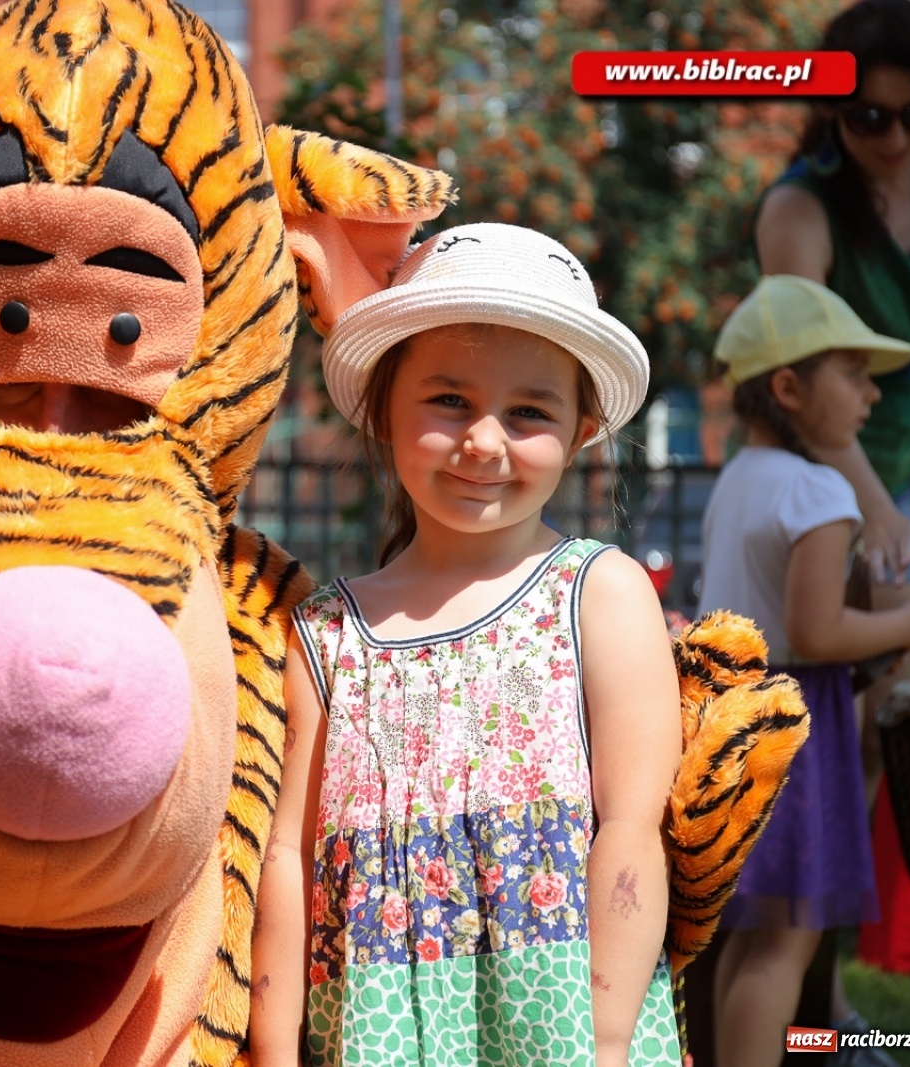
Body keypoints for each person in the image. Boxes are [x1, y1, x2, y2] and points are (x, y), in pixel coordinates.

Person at [250, 222, 682, 1066]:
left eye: (528, 412)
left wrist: (606, 1040)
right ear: (383, 403)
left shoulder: (599, 592)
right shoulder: (326, 635)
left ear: (584, 426)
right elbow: (286, 863)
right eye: (449, 399)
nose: (484, 440)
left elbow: (632, 831)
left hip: (561, 1035)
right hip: (373, 1034)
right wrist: (273, 1051)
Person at [697, 274, 910, 1067]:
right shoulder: (819, 489)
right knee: (784, 945)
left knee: (744, 941)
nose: (871, 396)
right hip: (796, 738)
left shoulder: (738, 479)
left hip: (727, 721)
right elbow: (815, 629)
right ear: (787, 387)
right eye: (853, 373)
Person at [754, 0, 910, 749]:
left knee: (892, 719)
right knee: (829, 714)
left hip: (907, 460)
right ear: (833, 106)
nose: (897, 136)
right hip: (822, 464)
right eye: (871, 117)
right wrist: (882, 513)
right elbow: (806, 390)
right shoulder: (799, 211)